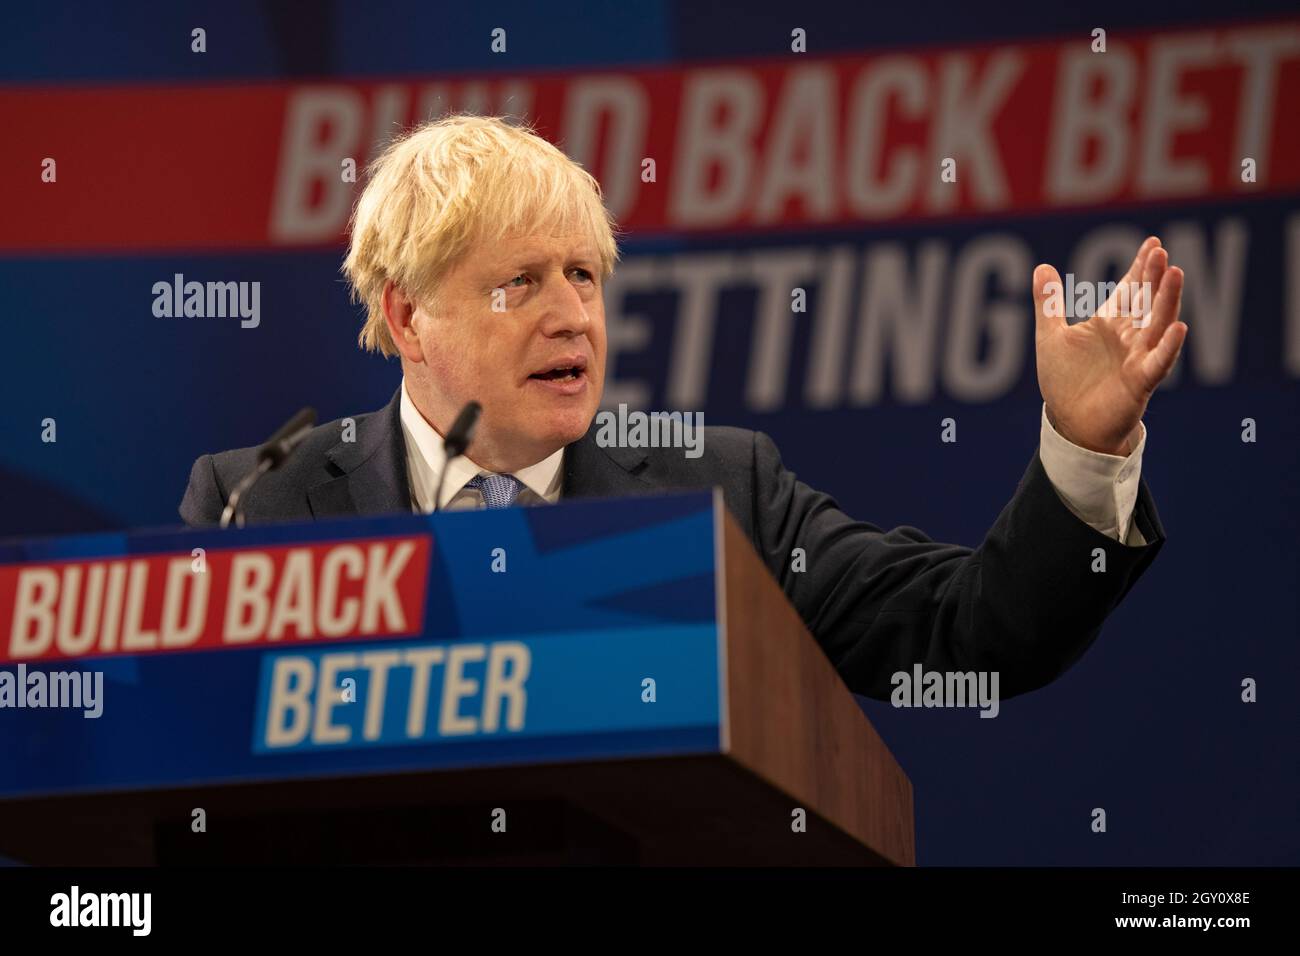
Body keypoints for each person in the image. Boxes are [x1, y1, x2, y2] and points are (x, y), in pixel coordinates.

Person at [180, 115, 1188, 701]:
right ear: (406, 315)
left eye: (585, 274)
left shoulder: (722, 491)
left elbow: (975, 635)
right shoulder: (257, 504)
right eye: (521, 282)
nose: (573, 315)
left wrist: (1083, 445)